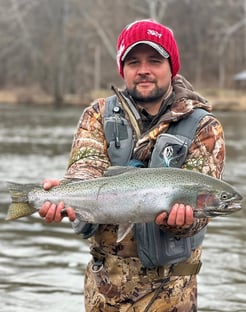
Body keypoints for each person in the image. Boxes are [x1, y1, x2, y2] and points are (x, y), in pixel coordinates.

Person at [39, 19, 225, 312]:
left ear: (171, 66)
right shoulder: (97, 114)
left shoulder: (204, 127)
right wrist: (65, 194)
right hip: (105, 294)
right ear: (122, 69)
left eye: (154, 60)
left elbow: (201, 214)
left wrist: (185, 221)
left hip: (172, 296)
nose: (144, 70)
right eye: (133, 61)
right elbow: (87, 166)